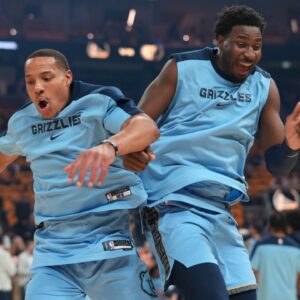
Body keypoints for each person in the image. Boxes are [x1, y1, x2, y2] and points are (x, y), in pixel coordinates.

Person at [124, 5, 300, 300]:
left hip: (220, 212)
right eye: (241, 44)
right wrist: (128, 152)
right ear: (220, 40)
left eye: (256, 47)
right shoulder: (180, 68)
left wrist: (292, 145)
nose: (250, 53)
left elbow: (278, 166)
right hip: (173, 204)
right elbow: (137, 124)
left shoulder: (264, 87)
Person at [0, 48, 160, 300]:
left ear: (67, 77)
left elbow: (146, 127)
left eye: (46, 77)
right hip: (53, 257)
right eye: (30, 81)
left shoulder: (98, 101)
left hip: (110, 250)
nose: (37, 87)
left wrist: (110, 146)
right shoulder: (22, 122)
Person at [251, 212, 300, 300]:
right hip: (289, 297)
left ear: (269, 226)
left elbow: (253, 272)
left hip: (265, 297)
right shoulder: (296, 248)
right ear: (286, 226)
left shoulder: (260, 246)